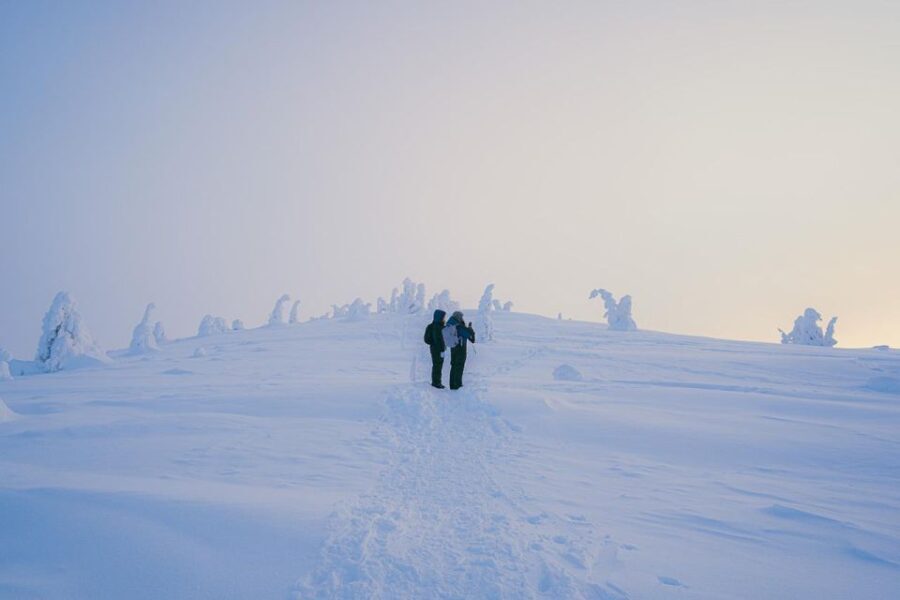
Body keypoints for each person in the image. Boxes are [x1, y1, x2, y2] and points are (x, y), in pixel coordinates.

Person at [444, 310, 475, 390]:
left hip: (453, 348)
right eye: (461, 317)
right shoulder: (459, 326)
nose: (462, 318)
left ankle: (452, 384)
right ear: (459, 317)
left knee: (454, 366)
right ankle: (457, 385)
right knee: (459, 366)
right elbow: (470, 336)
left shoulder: (450, 325)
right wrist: (470, 328)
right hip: (460, 348)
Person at [424, 309, 447, 388]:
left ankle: (436, 382)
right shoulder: (440, 327)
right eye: (443, 317)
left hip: (433, 349)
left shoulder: (430, 326)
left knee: (436, 365)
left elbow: (426, 339)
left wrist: (432, 343)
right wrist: (441, 348)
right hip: (439, 350)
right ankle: (436, 383)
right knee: (438, 366)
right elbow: (441, 340)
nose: (444, 319)